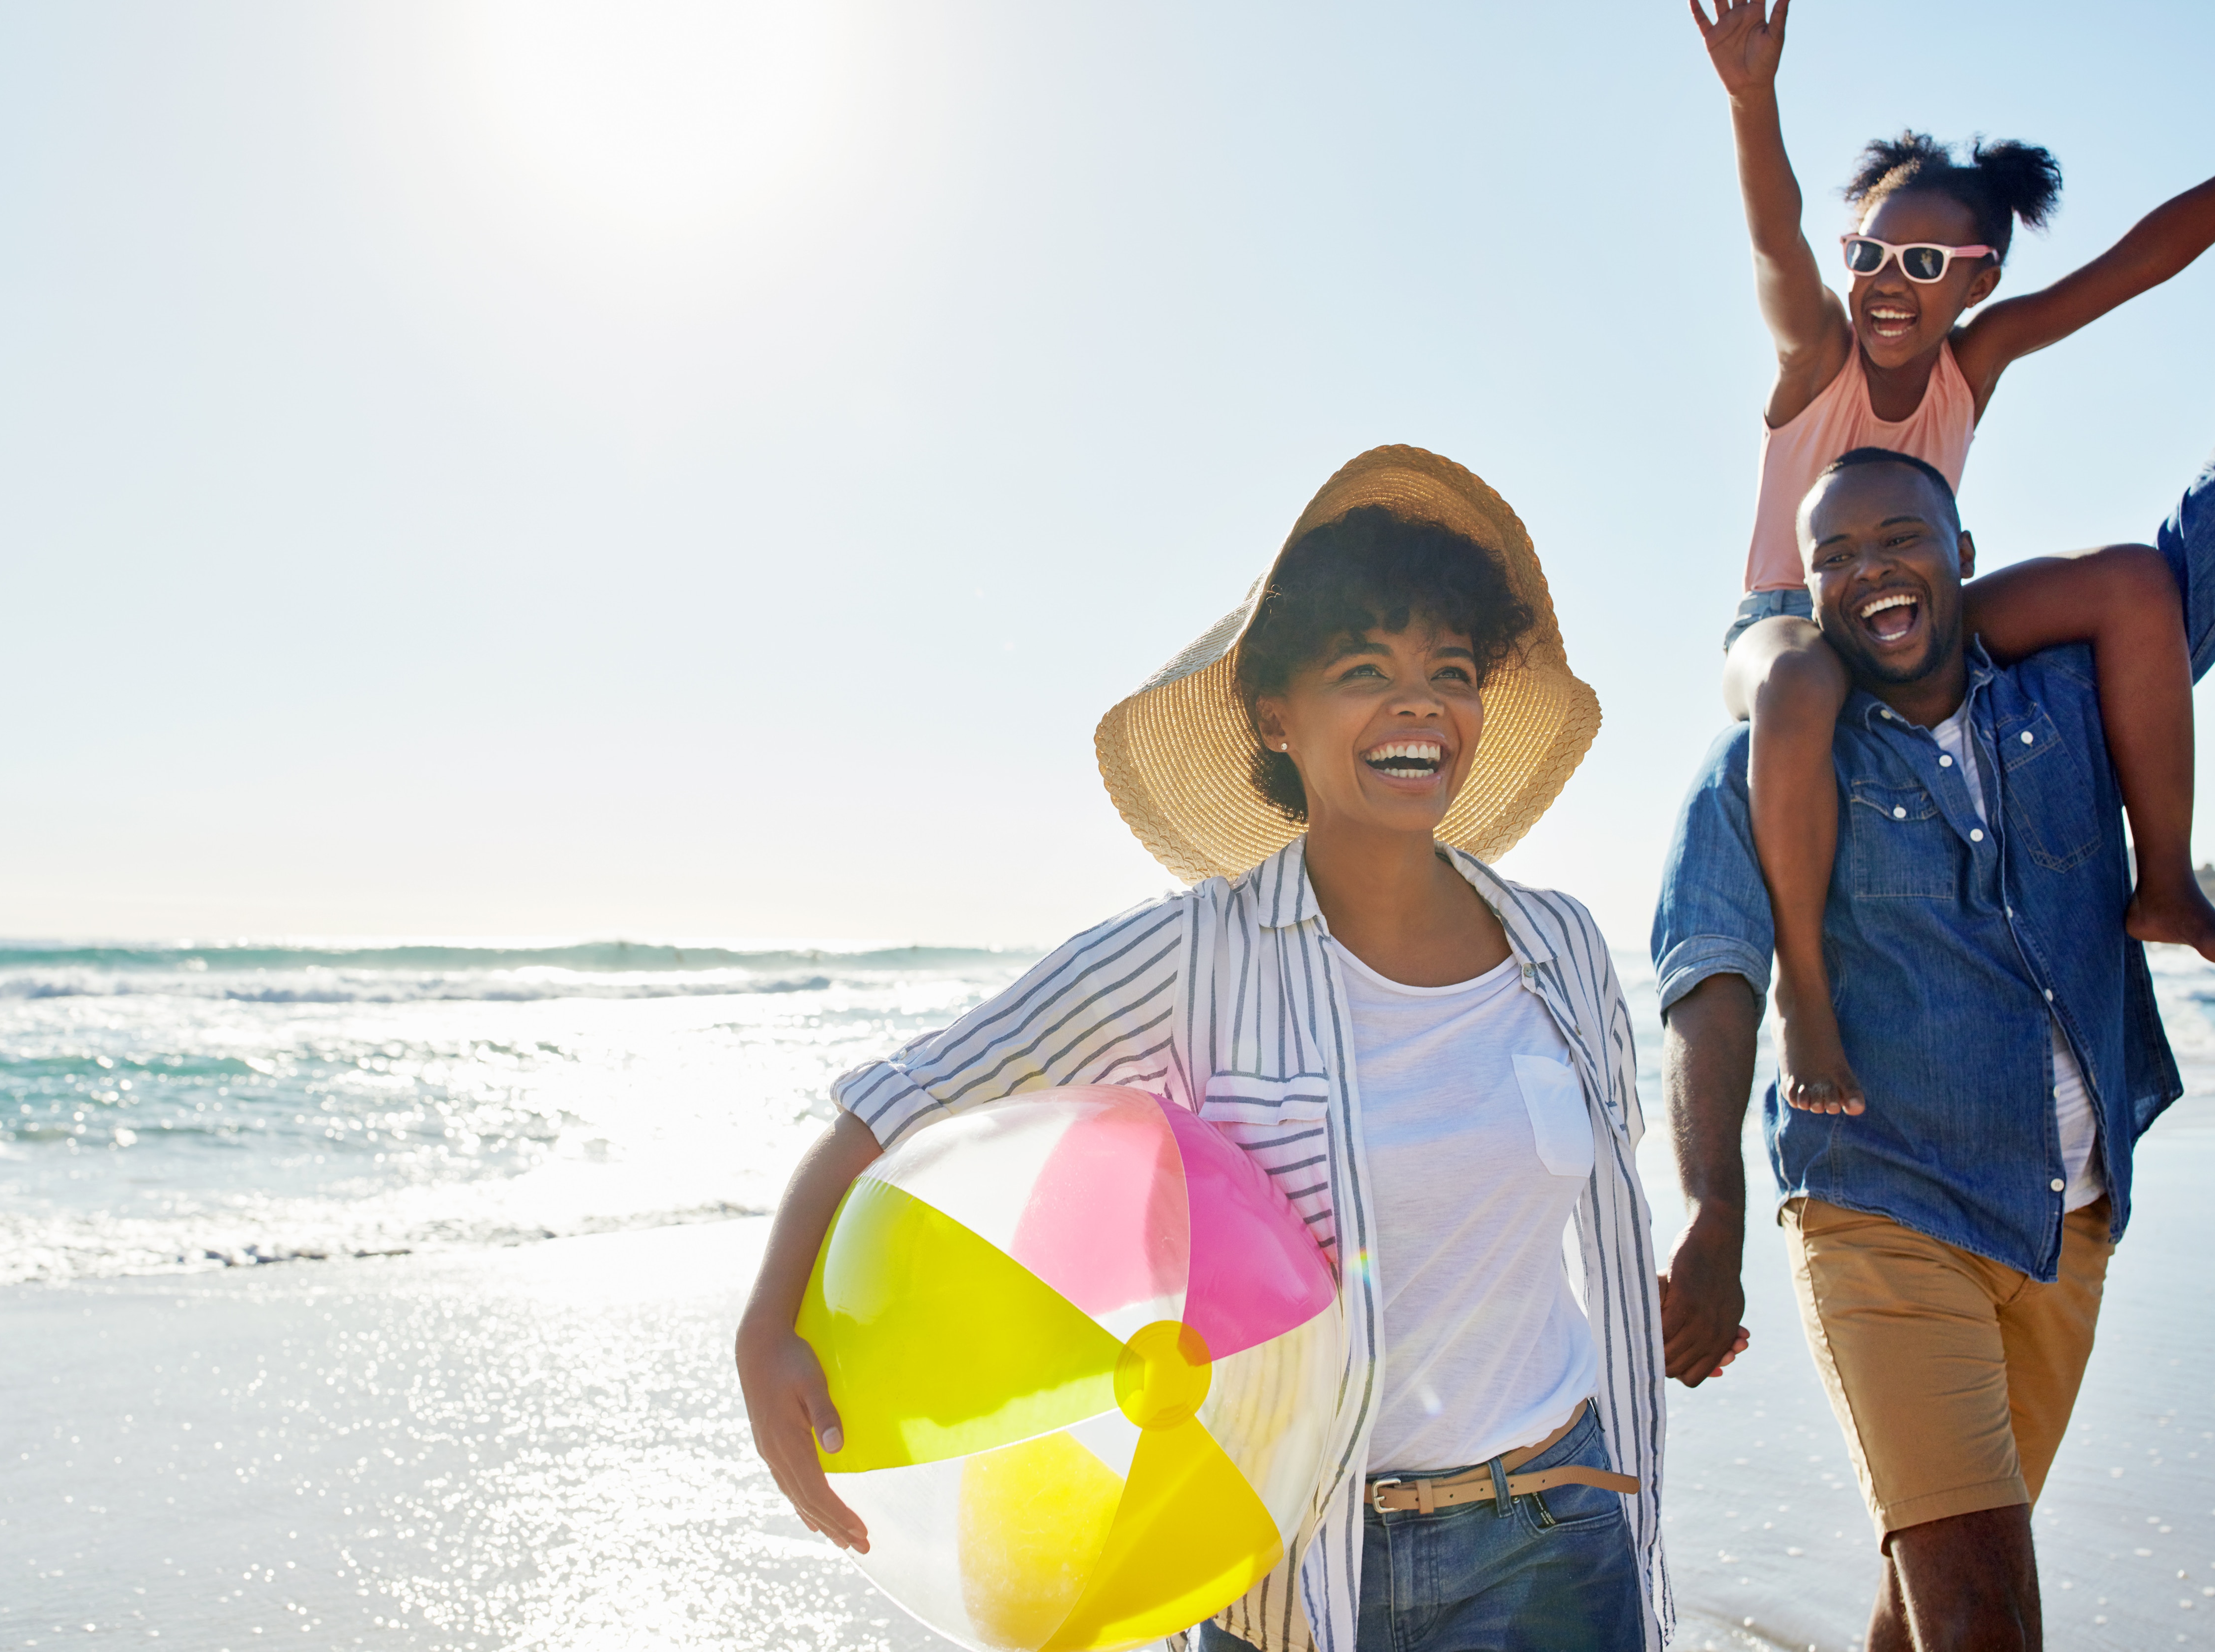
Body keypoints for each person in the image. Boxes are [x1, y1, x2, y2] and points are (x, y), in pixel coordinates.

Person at [740, 448, 1733, 1652]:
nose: (1418, 701)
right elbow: (905, 1095)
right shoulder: (1192, 956)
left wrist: (1675, 1282)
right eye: (1365, 671)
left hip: (1552, 1537)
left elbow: (1565, 1195)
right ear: (1279, 713)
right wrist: (769, 1325)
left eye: (1449, 672)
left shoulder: (1560, 944)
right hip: (1292, 1561)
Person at [1650, 228, 2215, 1649]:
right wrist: (1715, 1207)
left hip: (2068, 1222)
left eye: (1902, 536)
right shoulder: (1765, 770)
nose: (1871, 570)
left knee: (1932, 1601)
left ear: (1963, 554)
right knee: (1983, 1608)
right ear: (1810, 595)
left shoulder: (2086, 698)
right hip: (1880, 1210)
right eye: (1833, 555)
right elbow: (1711, 980)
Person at [1691, 0, 2215, 1111]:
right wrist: (1753, 105)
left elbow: (2138, 265)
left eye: (1922, 260)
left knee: (2133, 581)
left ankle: (2168, 880)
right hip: (1788, 618)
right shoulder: (1817, 354)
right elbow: (1772, 237)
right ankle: (1805, 991)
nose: (1886, 281)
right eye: (1869, 254)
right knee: (1803, 674)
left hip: (1922, 606)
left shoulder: (1974, 359)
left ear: (1978, 277)